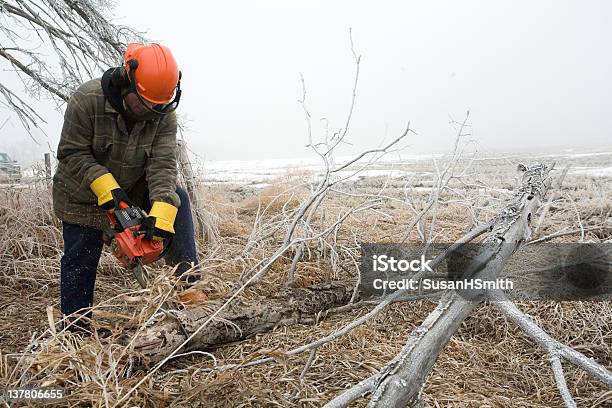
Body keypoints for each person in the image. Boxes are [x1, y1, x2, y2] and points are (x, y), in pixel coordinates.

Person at [52, 43, 199, 332]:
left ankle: (190, 287)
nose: (149, 113)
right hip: (80, 195)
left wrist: (162, 214)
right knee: (82, 254)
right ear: (125, 81)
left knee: (176, 199)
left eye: (157, 108)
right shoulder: (87, 100)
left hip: (131, 186)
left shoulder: (161, 112)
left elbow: (163, 164)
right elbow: (71, 153)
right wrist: (106, 186)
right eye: (143, 104)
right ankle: (76, 331)